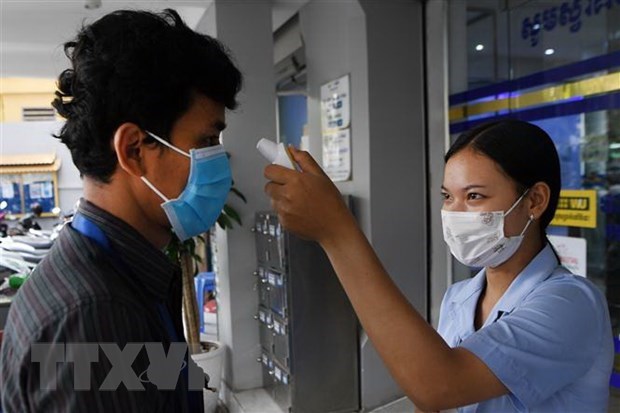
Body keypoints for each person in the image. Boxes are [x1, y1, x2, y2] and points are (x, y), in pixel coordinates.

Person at [264, 119, 613, 412]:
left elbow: (440, 384)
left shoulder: (572, 304)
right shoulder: (459, 298)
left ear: (535, 200)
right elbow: (430, 401)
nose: (455, 213)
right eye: (448, 196)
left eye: (474, 196)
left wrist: (337, 232)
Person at [1, 9, 241, 413]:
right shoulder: (95, 318)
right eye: (206, 140)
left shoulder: (128, 274)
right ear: (133, 150)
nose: (220, 161)